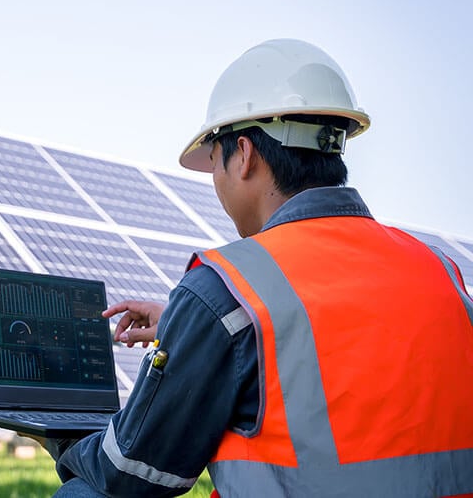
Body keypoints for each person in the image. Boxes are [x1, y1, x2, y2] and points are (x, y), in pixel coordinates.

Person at [38, 39, 473, 497]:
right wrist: (189, 328)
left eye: (214, 163)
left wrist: (62, 440)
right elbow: (352, 354)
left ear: (243, 154)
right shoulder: (439, 271)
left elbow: (131, 471)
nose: (216, 182)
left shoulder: (226, 287)